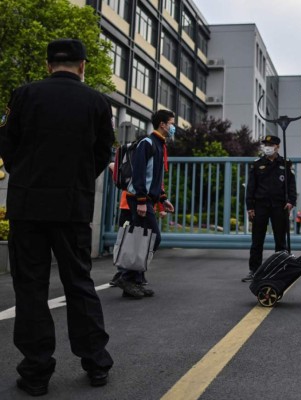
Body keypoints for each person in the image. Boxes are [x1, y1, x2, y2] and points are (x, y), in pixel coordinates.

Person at [0, 38, 114, 395]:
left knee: (30, 287)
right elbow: (103, 153)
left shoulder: (23, 95)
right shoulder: (97, 102)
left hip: (28, 206)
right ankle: (95, 363)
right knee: (79, 283)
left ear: (49, 65)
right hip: (72, 207)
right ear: (82, 66)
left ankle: (35, 373)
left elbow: (7, 145)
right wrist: (78, 182)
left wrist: (26, 177)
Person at [115, 110, 175, 298]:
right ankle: (125, 277)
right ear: (162, 124)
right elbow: (140, 174)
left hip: (147, 198)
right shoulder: (147, 143)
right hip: (138, 198)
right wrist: (142, 200)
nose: (173, 127)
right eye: (171, 123)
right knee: (152, 238)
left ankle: (135, 281)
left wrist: (163, 198)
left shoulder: (159, 145)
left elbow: (155, 177)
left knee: (142, 239)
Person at [242, 135, 297, 282]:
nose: (267, 147)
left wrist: (291, 201)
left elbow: (291, 186)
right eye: (266, 144)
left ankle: (281, 269)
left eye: (271, 144)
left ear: (277, 146)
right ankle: (254, 270)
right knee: (257, 240)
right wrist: (250, 207)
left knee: (281, 240)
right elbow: (251, 188)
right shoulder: (257, 164)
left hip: (280, 206)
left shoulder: (285, 164)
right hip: (260, 206)